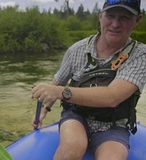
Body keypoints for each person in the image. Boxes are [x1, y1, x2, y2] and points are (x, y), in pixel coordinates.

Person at [31, 0, 146, 160]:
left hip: (114, 124)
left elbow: (113, 97)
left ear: (137, 20)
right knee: (72, 147)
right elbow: (58, 82)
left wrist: (59, 92)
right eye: (110, 16)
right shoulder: (76, 50)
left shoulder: (141, 55)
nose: (115, 24)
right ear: (100, 16)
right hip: (77, 115)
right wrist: (43, 111)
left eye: (124, 18)